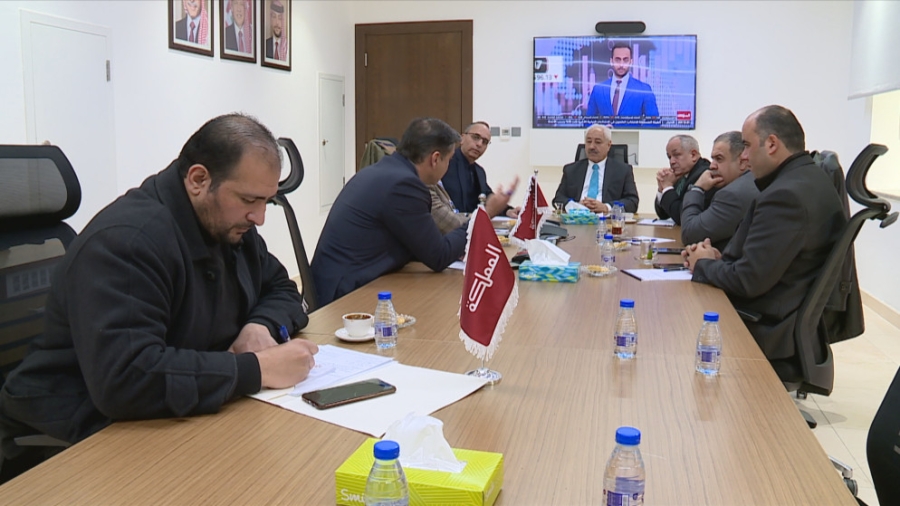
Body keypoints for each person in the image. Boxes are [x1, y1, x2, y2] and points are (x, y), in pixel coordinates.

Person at [0, 114, 317, 476]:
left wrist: (259, 326)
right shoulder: (127, 243)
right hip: (86, 428)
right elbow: (126, 378)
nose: (259, 217)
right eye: (249, 199)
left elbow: (281, 288)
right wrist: (256, 369)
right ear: (198, 180)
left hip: (178, 407)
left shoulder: (228, 224)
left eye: (267, 201)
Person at [683, 105, 845, 362]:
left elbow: (747, 281)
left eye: (747, 146)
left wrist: (702, 263)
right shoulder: (810, 179)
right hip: (786, 322)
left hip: (765, 331)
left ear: (771, 144)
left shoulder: (785, 196)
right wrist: (718, 260)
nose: (744, 156)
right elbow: (767, 263)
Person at [312, 118, 470, 305]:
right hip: (342, 297)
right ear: (435, 159)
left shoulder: (385, 171)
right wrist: (477, 222)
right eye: (449, 160)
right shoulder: (404, 185)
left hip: (337, 282)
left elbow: (421, 245)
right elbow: (439, 256)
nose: (448, 166)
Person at [680, 131, 759, 250]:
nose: (712, 166)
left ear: (742, 162)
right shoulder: (752, 181)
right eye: (713, 159)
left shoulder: (733, 195)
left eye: (719, 159)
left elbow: (689, 234)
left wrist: (697, 188)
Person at [552, 124, 639, 213]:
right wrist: (575, 206)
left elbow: (632, 202)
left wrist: (606, 207)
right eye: (588, 141)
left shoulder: (623, 170)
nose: (591, 147)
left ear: (609, 145)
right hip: (576, 218)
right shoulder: (571, 170)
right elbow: (558, 199)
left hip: (606, 219)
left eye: (598, 142)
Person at [440, 121, 517, 217]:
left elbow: (488, 198)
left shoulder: (479, 172)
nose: (479, 144)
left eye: (485, 142)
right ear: (462, 138)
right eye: (475, 137)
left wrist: (508, 211)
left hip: (472, 223)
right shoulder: (444, 163)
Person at [585, 43, 659, 127]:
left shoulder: (644, 90)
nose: (621, 65)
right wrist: (602, 131)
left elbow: (654, 123)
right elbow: (588, 122)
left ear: (631, 62)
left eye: (625, 60)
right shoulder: (598, 90)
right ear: (611, 61)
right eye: (617, 60)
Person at [654, 134, 713, 224]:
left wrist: (667, 187)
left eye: (676, 155)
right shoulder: (681, 174)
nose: (672, 161)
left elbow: (681, 217)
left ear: (693, 155)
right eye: (669, 157)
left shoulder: (703, 174)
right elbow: (663, 215)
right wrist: (661, 189)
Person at [429, 177, 519, 235]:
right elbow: (453, 224)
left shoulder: (478, 171)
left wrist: (506, 210)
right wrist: (488, 212)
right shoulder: (427, 185)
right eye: (449, 160)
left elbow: (455, 214)